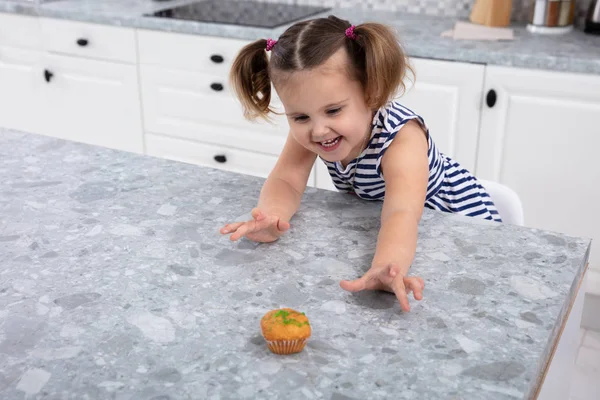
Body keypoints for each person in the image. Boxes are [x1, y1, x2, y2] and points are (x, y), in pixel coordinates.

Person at [220, 16, 501, 312]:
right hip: (400, 224)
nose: (318, 130)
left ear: (371, 93)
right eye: (300, 117)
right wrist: (271, 217)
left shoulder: (401, 139)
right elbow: (286, 180)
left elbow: (401, 214)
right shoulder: (316, 132)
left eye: (333, 110)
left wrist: (386, 266)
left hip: (458, 221)